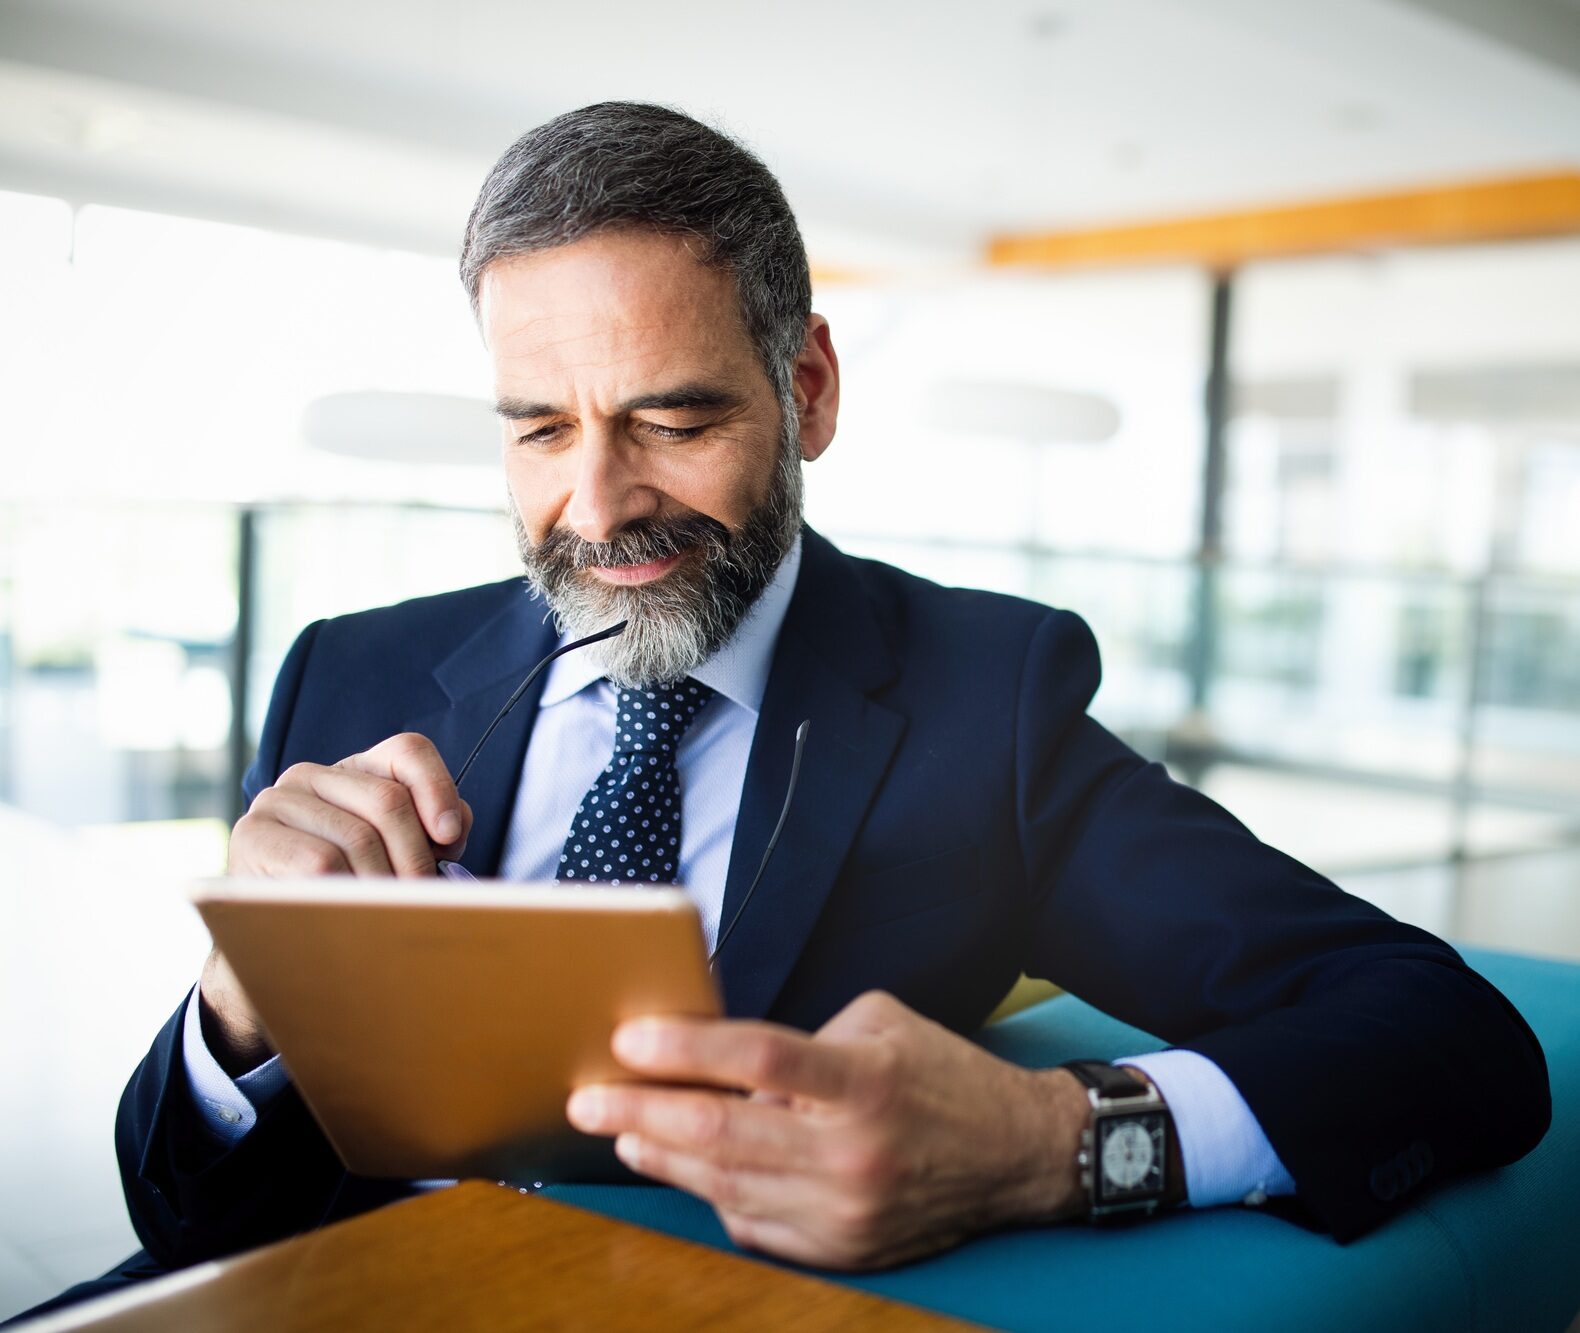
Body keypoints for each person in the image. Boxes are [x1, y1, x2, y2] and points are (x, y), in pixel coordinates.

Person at [32, 101, 1550, 1315]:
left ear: (808, 388)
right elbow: (185, 1207)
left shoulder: (985, 708)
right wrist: (237, 1018)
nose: (596, 502)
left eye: (672, 418)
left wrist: (1042, 1144)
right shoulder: (343, 672)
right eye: (539, 429)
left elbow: (1447, 1034)